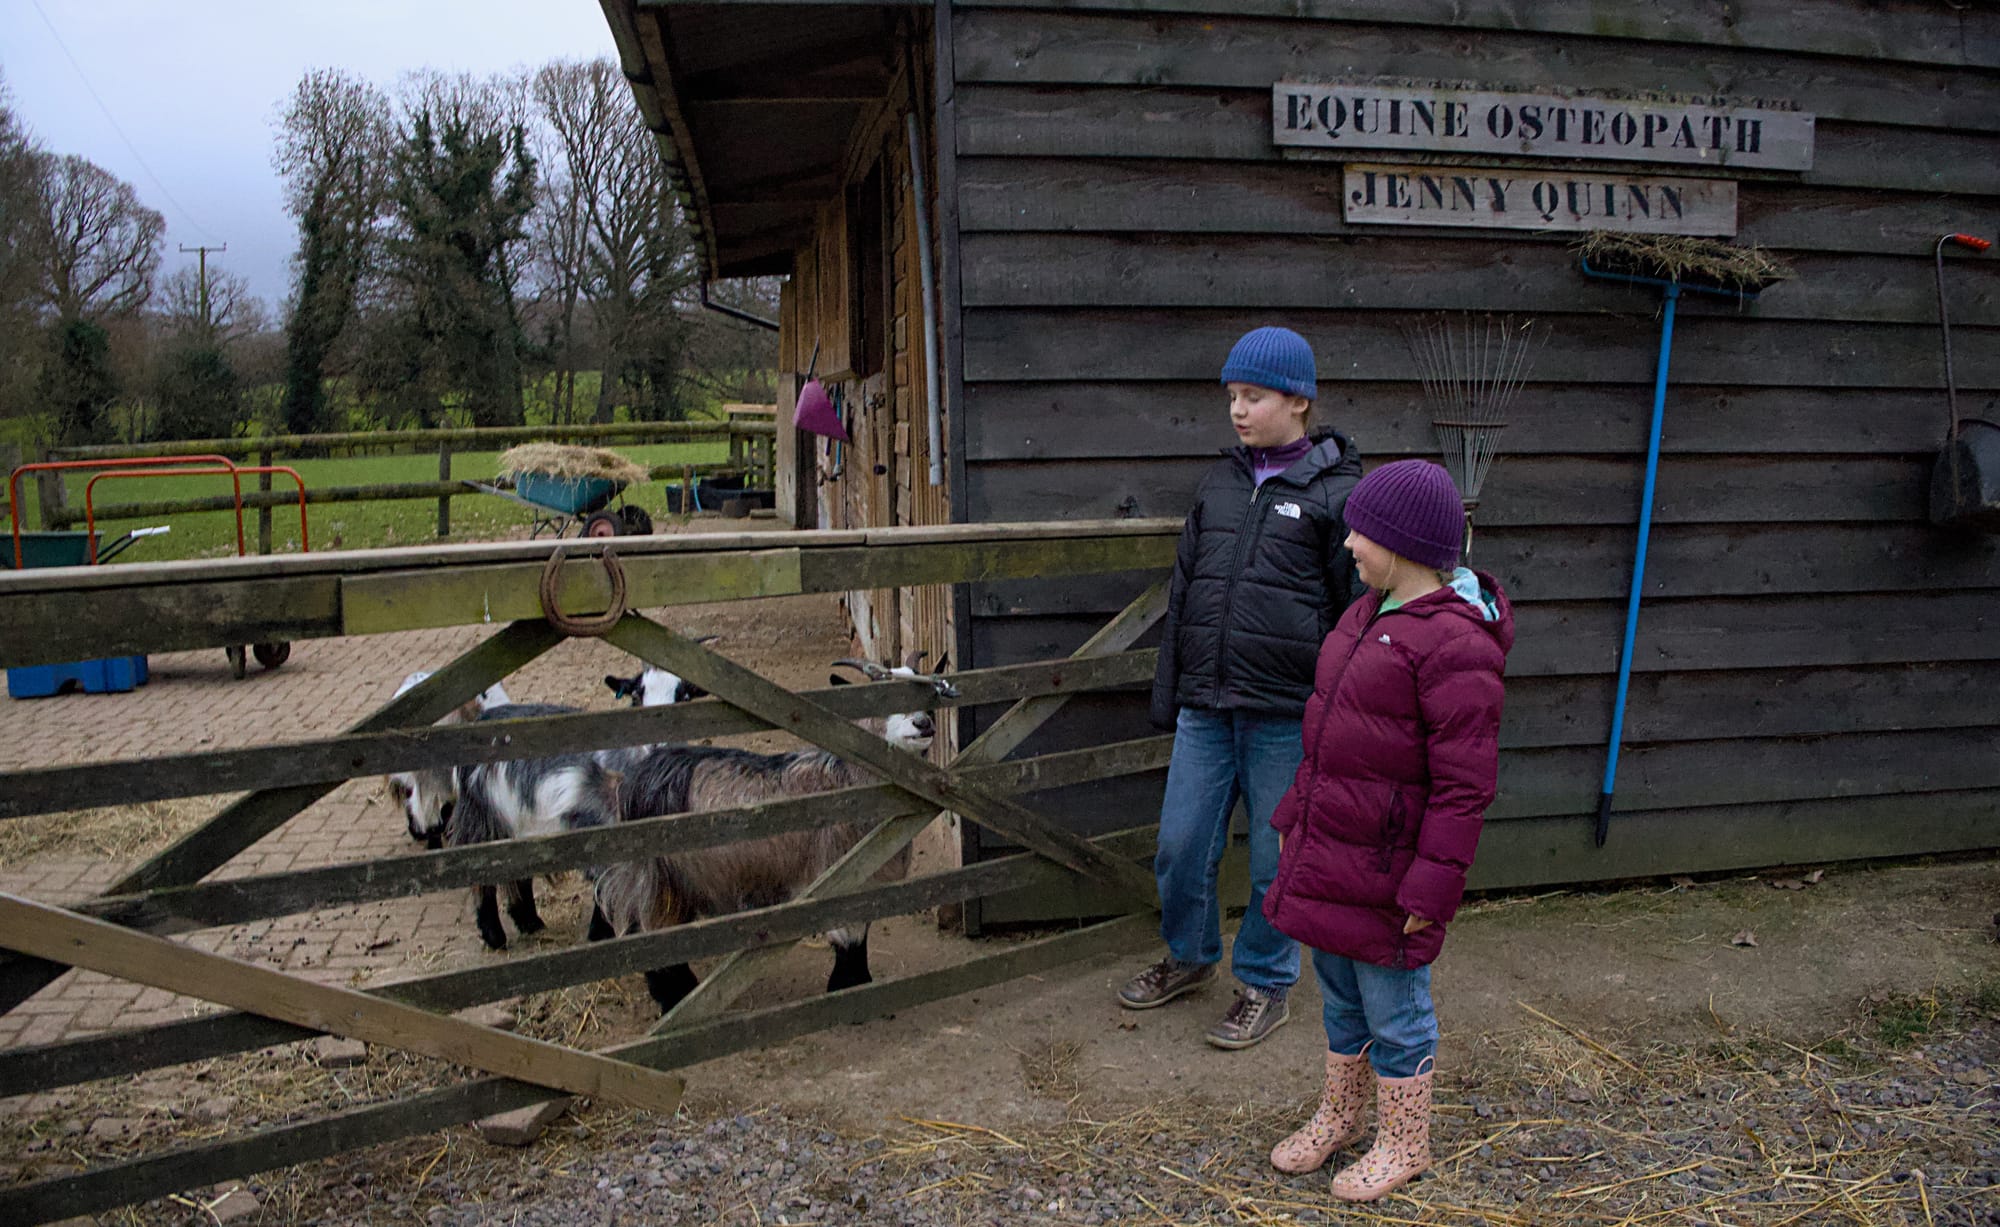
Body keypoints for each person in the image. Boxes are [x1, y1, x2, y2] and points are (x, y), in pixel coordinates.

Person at [1259, 458, 1514, 1201]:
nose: (1348, 545)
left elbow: (1465, 787)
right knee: (1340, 994)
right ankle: (1342, 1115)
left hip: (1392, 873)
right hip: (1334, 857)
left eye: (1360, 533)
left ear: (1402, 544)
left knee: (1395, 1010)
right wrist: (1293, 816)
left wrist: (1431, 889)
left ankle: (1405, 1140)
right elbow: (1325, 737)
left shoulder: (1457, 646)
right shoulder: (1365, 615)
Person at [1116, 325, 1364, 1050]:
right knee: (1180, 844)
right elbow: (1186, 591)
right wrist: (1172, 693)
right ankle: (1191, 956)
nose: (1238, 410)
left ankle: (1265, 982)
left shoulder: (1338, 493)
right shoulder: (1220, 484)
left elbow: (1353, 611)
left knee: (1272, 861)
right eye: (1232, 396)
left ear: (1298, 400)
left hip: (1287, 713)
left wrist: (1338, 713)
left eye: (1253, 396)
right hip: (1207, 705)